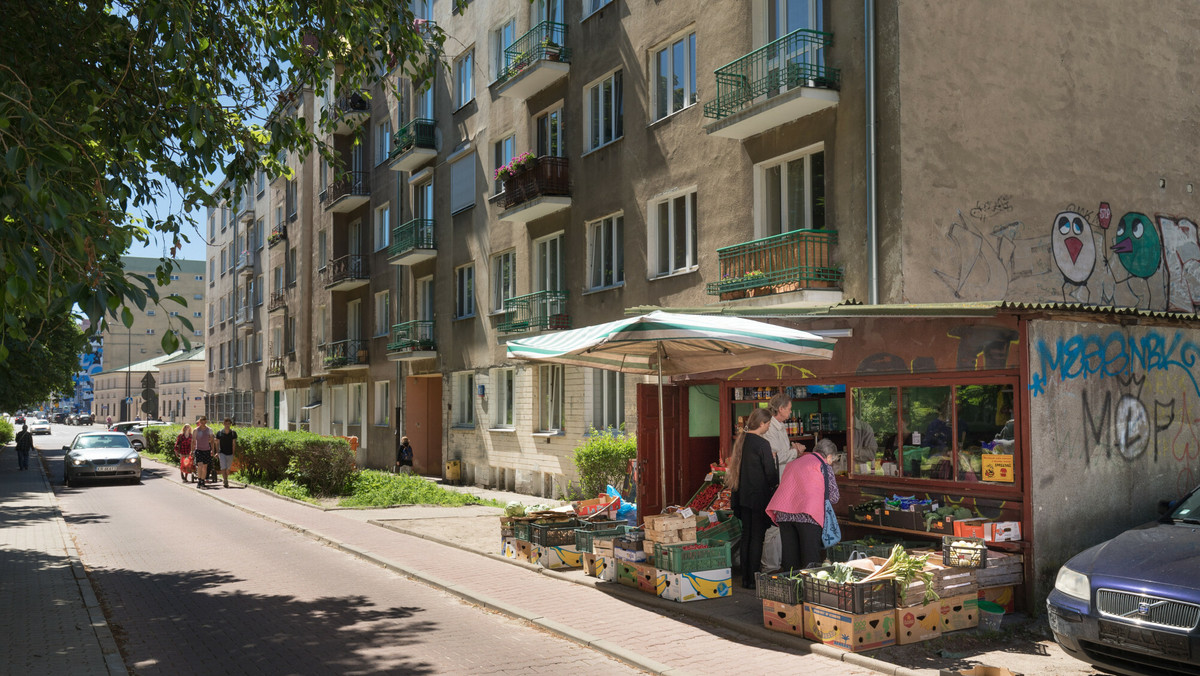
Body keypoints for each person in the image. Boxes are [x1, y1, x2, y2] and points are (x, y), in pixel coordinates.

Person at [767, 438, 841, 572]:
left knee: (790, 560)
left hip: (784, 514)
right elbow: (834, 497)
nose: (831, 463)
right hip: (808, 515)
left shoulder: (794, 462)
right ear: (829, 456)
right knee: (810, 560)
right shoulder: (823, 465)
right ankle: (809, 590)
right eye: (833, 460)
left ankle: (791, 587)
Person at [726, 407, 777, 590]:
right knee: (757, 538)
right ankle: (753, 578)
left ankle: (746, 578)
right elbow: (771, 475)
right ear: (762, 424)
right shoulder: (762, 444)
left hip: (742, 497)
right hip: (758, 498)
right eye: (769, 423)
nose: (769, 426)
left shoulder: (742, 441)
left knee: (747, 536)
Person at [761, 392, 805, 573]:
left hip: (783, 482)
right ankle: (769, 566)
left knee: (779, 525)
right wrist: (796, 452)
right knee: (774, 525)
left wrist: (792, 450)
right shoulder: (771, 429)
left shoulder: (779, 427)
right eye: (789, 408)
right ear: (780, 409)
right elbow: (775, 457)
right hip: (775, 482)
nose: (790, 412)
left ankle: (775, 563)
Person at [214, 418, 238, 488]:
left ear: (230, 424)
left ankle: (226, 478)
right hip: (222, 453)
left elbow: (234, 444)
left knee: (228, 468)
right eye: (226, 423)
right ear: (223, 424)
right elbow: (217, 443)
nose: (227, 425)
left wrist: (233, 453)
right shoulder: (219, 433)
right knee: (223, 467)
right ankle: (225, 480)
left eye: (229, 424)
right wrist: (217, 452)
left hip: (230, 453)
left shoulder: (233, 433)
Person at [192, 416, 214, 489]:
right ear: (199, 422)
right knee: (200, 466)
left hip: (206, 450)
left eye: (204, 421)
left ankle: (203, 481)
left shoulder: (209, 430)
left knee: (205, 467)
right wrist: (192, 450)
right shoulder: (196, 430)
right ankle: (199, 481)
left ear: (206, 421)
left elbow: (212, 441)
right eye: (201, 421)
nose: (203, 423)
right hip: (199, 450)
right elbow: (193, 441)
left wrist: (212, 450)